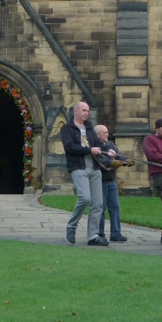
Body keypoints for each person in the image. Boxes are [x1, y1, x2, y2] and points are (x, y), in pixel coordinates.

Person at [60, 101, 111, 246]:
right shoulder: (67, 128)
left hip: (94, 168)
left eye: (87, 110)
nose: (86, 113)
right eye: (83, 110)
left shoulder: (89, 128)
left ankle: (93, 236)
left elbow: (97, 144)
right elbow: (69, 147)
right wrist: (90, 150)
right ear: (76, 111)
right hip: (78, 167)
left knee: (98, 203)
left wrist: (108, 149)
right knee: (85, 198)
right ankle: (72, 226)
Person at [94, 124, 135, 243]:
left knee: (115, 207)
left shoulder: (111, 146)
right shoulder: (96, 148)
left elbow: (119, 157)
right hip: (100, 182)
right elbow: (102, 162)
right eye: (105, 132)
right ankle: (100, 233)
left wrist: (126, 162)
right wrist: (113, 163)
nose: (107, 134)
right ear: (98, 135)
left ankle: (116, 233)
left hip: (111, 181)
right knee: (101, 208)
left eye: (107, 132)